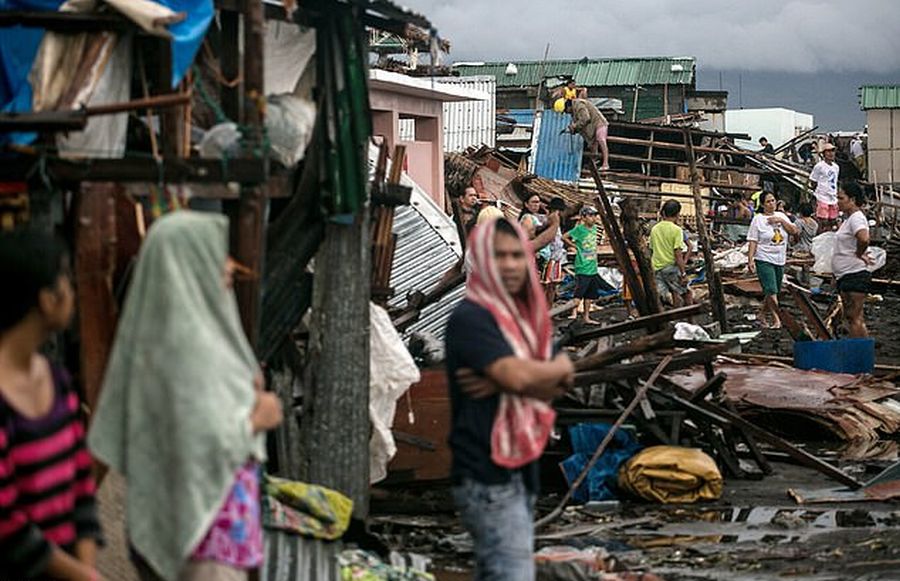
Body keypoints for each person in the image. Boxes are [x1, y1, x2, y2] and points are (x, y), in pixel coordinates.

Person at [88, 212, 284, 581]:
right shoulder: (186, 349)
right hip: (205, 537)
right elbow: (200, 442)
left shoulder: (174, 338)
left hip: (211, 526)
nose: (228, 266)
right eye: (214, 254)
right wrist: (261, 416)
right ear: (188, 265)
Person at [445, 218, 574, 581]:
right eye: (499, 256)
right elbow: (525, 375)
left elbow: (563, 379)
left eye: (518, 255)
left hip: (520, 468)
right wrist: (523, 376)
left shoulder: (526, 319)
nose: (511, 264)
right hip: (486, 473)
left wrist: (519, 378)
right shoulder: (473, 317)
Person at [0, 229, 104, 581]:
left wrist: (86, 565)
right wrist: (81, 576)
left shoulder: (57, 381)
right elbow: (6, 523)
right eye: (67, 282)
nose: (73, 293)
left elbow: (81, 480)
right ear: (47, 299)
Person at [747, 192, 799, 329]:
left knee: (773, 290)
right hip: (764, 257)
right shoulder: (757, 219)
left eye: (773, 200)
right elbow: (753, 240)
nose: (772, 203)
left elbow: (794, 231)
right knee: (771, 290)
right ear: (763, 205)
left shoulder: (781, 216)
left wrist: (781, 221)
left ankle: (762, 315)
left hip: (780, 258)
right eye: (768, 201)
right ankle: (777, 319)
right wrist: (750, 259)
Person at [832, 182, 872, 338]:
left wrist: (859, 253)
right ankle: (857, 349)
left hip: (855, 274)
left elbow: (864, 238)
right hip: (846, 274)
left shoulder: (856, 218)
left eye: (841, 198)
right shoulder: (849, 219)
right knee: (850, 316)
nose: (838, 201)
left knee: (855, 317)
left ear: (852, 200)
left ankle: (860, 352)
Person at [563, 206, 611, 324]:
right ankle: (573, 313)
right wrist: (574, 246)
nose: (593, 218)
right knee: (579, 293)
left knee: (589, 295)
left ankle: (586, 316)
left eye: (594, 215)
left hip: (592, 266)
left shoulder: (594, 228)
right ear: (583, 218)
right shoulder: (579, 229)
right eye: (590, 216)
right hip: (582, 266)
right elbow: (564, 237)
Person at [650, 200, 693, 308]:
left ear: (663, 213)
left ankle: (673, 320)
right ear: (678, 214)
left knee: (672, 295)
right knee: (686, 293)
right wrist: (683, 274)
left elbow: (651, 250)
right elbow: (677, 254)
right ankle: (690, 321)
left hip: (657, 268)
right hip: (671, 268)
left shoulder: (655, 229)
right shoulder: (677, 230)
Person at [564, 98, 610, 170]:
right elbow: (580, 125)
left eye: (565, 111)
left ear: (568, 107)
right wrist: (573, 130)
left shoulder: (579, 105)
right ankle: (595, 164)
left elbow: (585, 118)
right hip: (591, 128)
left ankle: (605, 164)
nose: (566, 113)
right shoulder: (574, 112)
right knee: (592, 145)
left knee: (601, 139)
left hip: (599, 123)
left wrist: (574, 126)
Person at [809, 143, 840, 230]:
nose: (831, 154)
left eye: (832, 151)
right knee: (823, 220)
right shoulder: (819, 166)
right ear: (824, 154)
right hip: (822, 196)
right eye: (828, 151)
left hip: (833, 195)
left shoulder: (836, 167)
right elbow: (813, 181)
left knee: (833, 220)